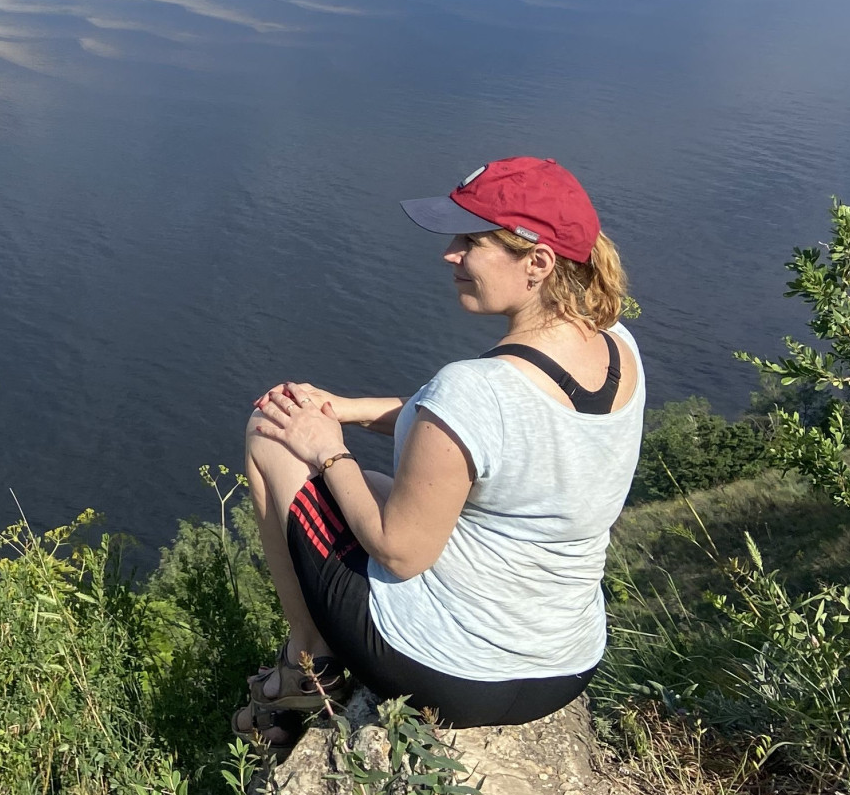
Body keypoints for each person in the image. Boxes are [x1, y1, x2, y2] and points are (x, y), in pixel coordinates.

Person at [237, 156, 644, 737]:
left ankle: (307, 671)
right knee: (375, 489)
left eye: (470, 241)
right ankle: (308, 670)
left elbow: (400, 551)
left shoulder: (474, 388)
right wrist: (348, 410)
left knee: (272, 433)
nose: (450, 254)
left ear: (538, 263)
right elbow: (484, 435)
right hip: (564, 666)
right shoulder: (616, 349)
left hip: (444, 672)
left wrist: (330, 449)